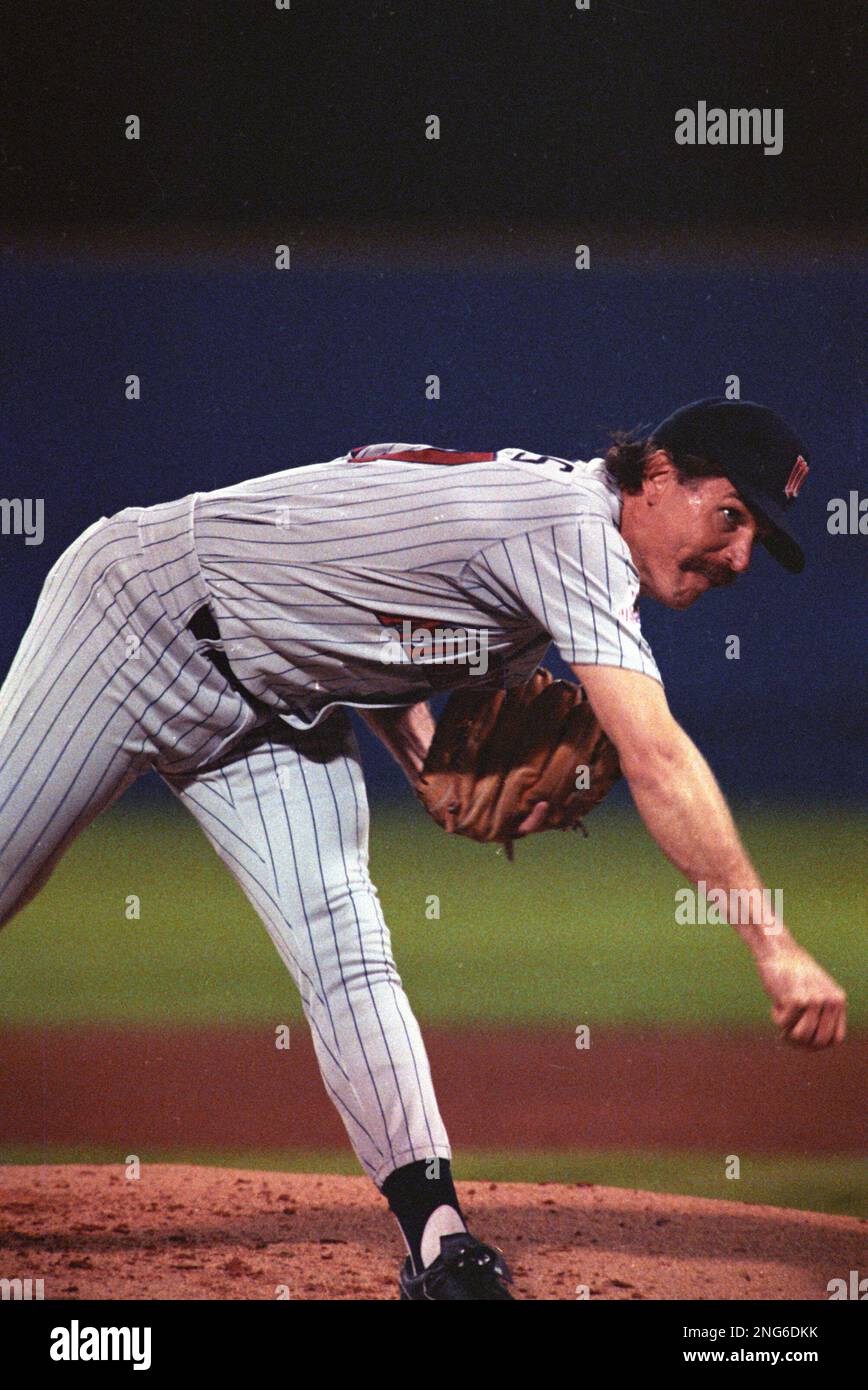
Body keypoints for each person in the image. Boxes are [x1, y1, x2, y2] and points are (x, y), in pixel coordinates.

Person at [0, 397, 846, 1301]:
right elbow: (656, 755)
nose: (739, 556)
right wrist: (773, 944)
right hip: (136, 619)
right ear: (660, 475)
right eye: (731, 515)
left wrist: (416, 764)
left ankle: (440, 1240)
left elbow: (364, 615)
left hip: (277, 709)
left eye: (757, 534)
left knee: (348, 943)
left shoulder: (546, 546)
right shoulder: (571, 530)